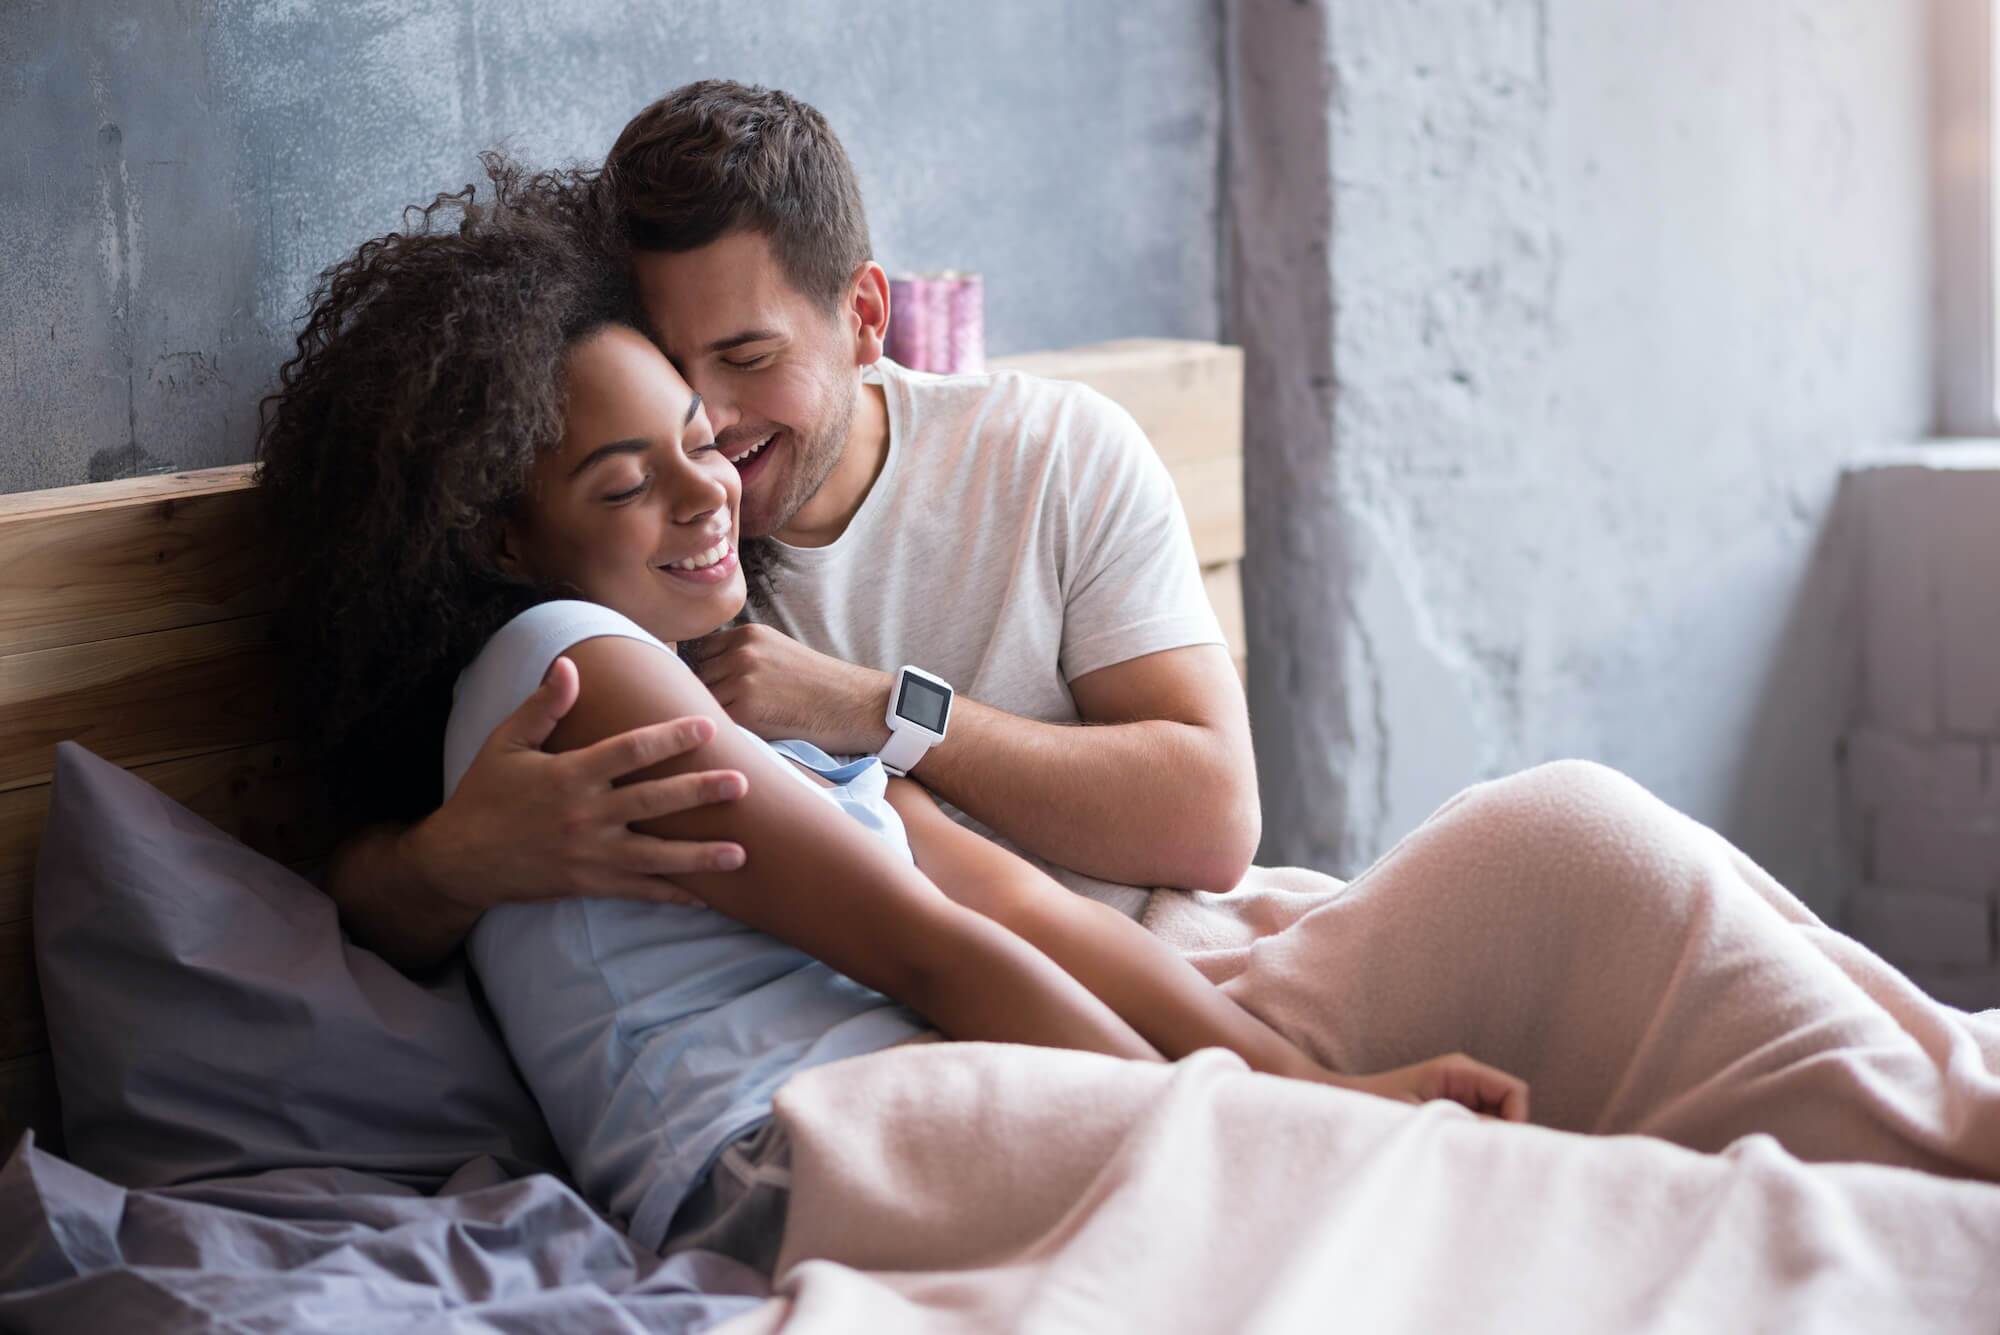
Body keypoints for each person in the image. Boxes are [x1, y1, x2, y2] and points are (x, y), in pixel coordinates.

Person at [253, 155, 1526, 1274]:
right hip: (793, 1146)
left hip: (923, 1096)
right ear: (505, 536)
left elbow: (1017, 909)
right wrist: (1267, 1143)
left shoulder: (758, 681)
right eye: (627, 482)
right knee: (1400, 1241)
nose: (711, 492)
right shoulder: (568, 665)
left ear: (863, 317)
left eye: (703, 428)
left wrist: (1323, 1097)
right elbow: (927, 948)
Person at [312, 81, 1259, 974]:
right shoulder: (618, 557)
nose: (710, 422)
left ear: (864, 316)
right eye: (671, 370)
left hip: (1183, 947)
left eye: (748, 357)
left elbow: (1214, 822)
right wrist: (457, 862)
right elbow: (362, 885)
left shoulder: (1053, 448)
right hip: (943, 1028)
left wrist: (871, 708)